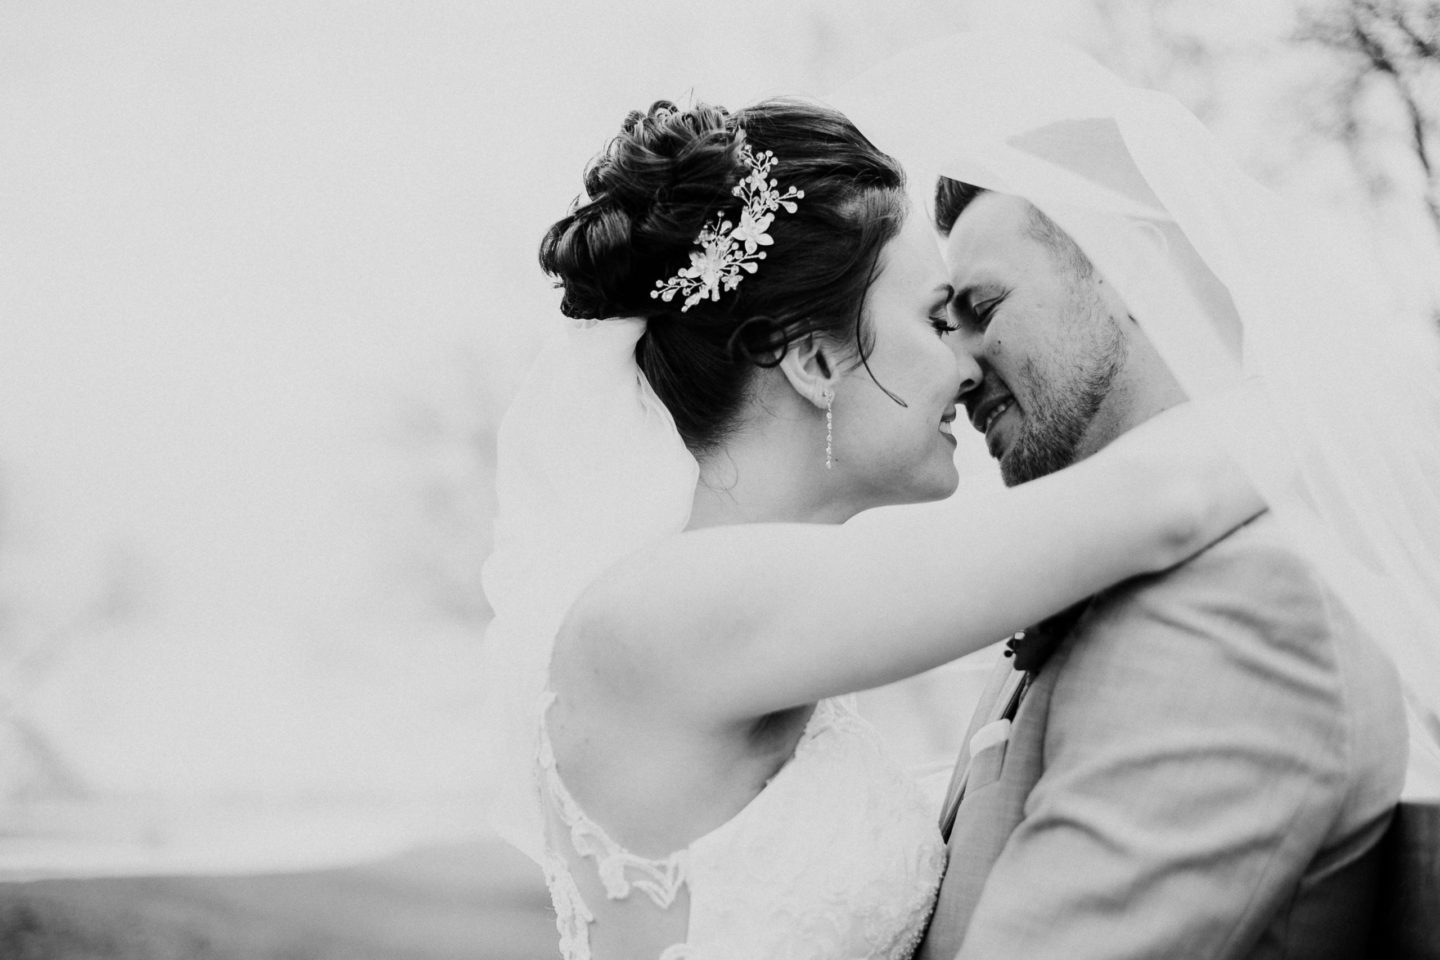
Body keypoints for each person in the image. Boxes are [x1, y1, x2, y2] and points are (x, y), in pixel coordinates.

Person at [481, 97, 1264, 960]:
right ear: (816, 362)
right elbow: (1165, 500)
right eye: (935, 320)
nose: (969, 365)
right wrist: (1351, 402)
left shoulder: (743, 618)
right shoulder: (666, 609)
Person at [826, 31, 1440, 960]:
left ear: (1135, 276)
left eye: (983, 311)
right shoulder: (1091, 575)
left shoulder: (1251, 606)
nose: (957, 367)